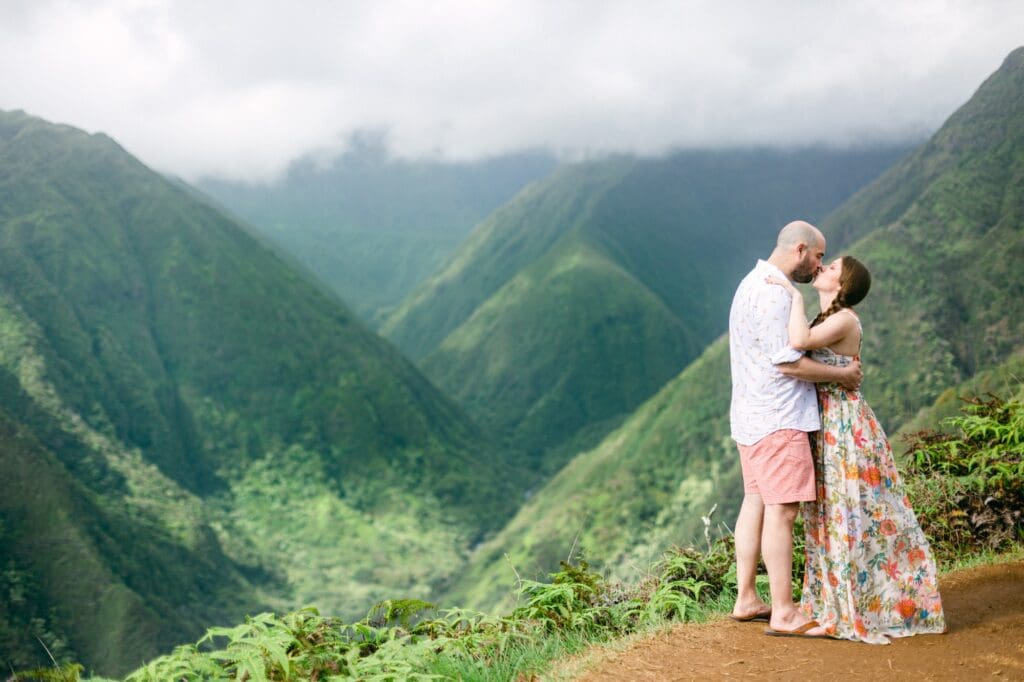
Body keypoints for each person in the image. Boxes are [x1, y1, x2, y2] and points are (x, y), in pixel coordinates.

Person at [766, 256, 946, 643]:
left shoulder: (844, 318)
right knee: (833, 513)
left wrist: (793, 298)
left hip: (844, 427)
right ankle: (842, 599)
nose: (825, 267)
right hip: (827, 423)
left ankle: (867, 602)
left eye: (832, 267)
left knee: (850, 511)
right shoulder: (831, 316)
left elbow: (799, 342)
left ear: (842, 284)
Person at [728, 221, 862, 638]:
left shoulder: (750, 283)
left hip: (750, 417)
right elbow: (787, 362)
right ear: (801, 249)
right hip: (779, 417)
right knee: (783, 511)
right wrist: (838, 375)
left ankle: (747, 597)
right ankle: (784, 611)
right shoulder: (775, 293)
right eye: (819, 256)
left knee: (756, 501)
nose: (819, 264)